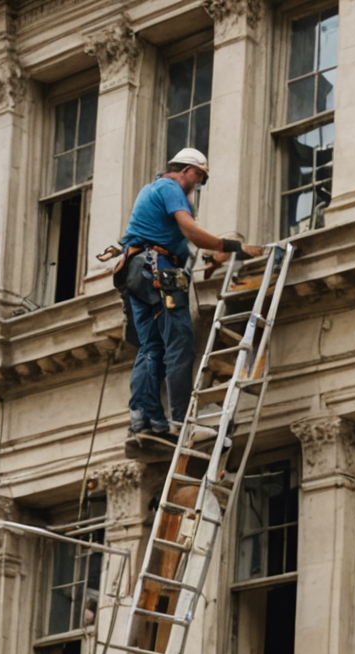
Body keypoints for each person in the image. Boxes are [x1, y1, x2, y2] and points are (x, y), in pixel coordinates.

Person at [115, 147, 264, 448]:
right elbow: (191, 232)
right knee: (180, 343)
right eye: (199, 176)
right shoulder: (171, 188)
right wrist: (234, 246)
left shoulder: (151, 191)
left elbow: (182, 244)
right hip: (156, 271)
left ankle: (145, 420)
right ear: (184, 170)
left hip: (136, 272)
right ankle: (180, 421)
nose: (198, 184)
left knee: (151, 346)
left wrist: (212, 257)